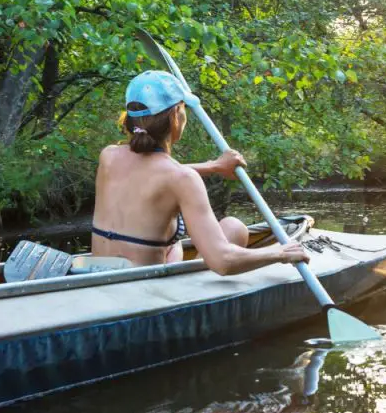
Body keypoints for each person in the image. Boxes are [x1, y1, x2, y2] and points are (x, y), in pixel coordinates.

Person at [91, 70, 307, 274]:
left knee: (199, 238)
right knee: (233, 228)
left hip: (96, 276)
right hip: (143, 289)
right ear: (176, 115)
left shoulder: (109, 156)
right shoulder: (182, 179)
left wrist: (213, 166)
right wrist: (280, 253)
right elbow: (222, 262)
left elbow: (151, 175)